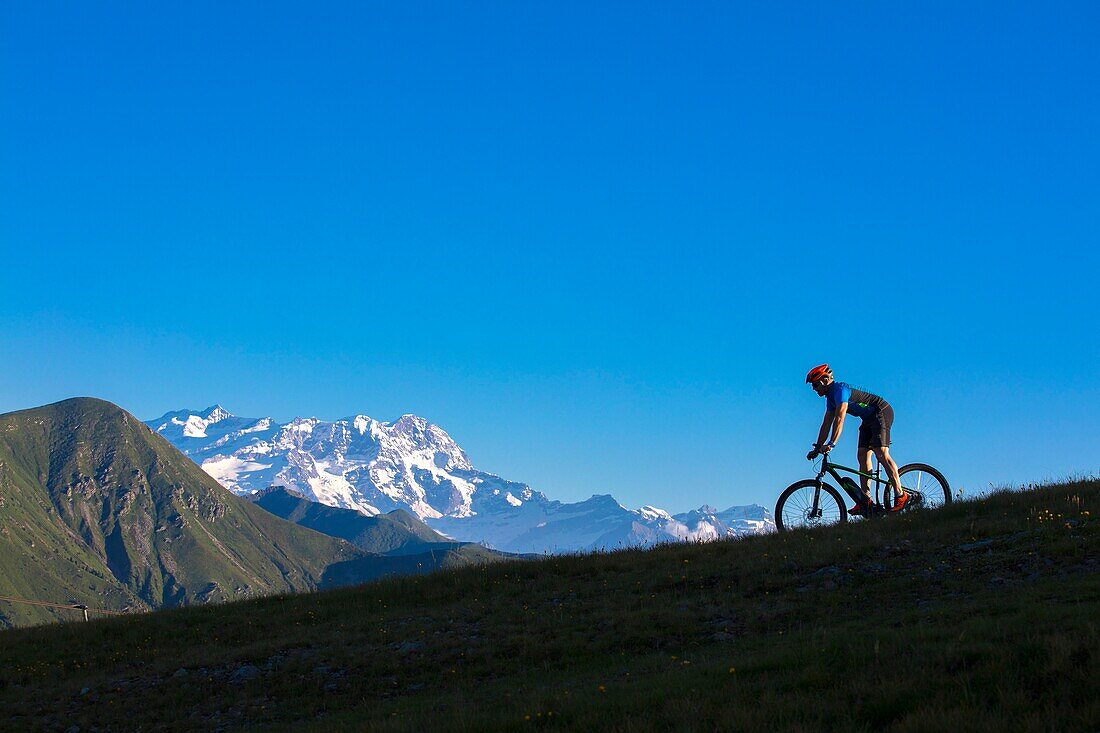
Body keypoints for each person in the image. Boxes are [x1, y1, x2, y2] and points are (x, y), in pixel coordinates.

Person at [804, 364, 908, 514]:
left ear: (825, 380)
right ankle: (866, 501)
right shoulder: (830, 398)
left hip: (881, 412)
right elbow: (826, 423)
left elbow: (840, 418)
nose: (814, 389)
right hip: (867, 419)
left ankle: (901, 495)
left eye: (815, 384)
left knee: (881, 453)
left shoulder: (840, 390)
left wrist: (832, 443)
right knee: (862, 455)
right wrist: (817, 448)